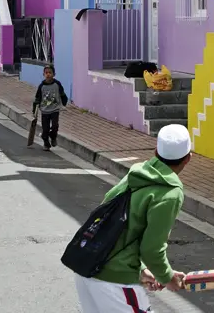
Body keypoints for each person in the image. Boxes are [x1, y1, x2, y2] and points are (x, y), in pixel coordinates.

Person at [74, 124, 190, 313]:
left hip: (89, 268)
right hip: (114, 282)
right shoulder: (170, 192)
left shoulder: (136, 174)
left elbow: (109, 221)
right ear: (188, 158)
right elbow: (152, 249)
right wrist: (167, 278)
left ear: (155, 151)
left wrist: (141, 270)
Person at [33, 64, 68, 151]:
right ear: (43, 74)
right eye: (46, 73)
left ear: (54, 74)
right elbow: (37, 98)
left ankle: (53, 137)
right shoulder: (41, 86)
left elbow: (62, 93)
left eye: (50, 72)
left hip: (55, 109)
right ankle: (46, 142)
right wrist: (34, 109)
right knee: (46, 129)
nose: (48, 74)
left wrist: (64, 102)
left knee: (55, 126)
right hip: (44, 111)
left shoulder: (57, 84)